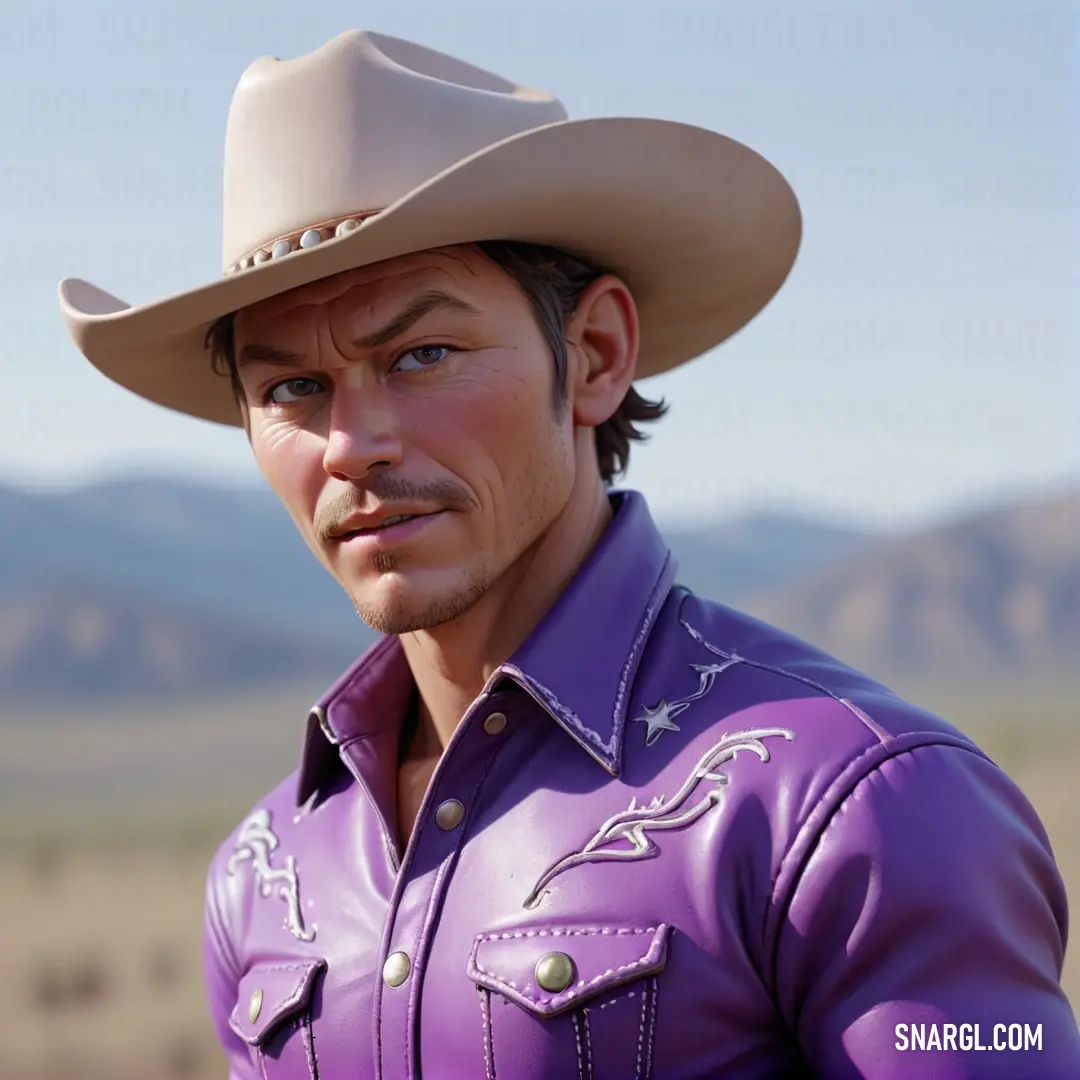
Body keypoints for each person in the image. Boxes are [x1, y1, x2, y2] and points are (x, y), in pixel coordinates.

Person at [58, 28, 1078, 1080]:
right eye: (290, 389)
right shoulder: (267, 872)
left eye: (422, 354)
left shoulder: (861, 808)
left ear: (594, 356)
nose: (352, 445)